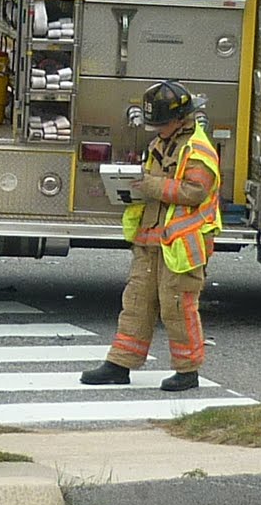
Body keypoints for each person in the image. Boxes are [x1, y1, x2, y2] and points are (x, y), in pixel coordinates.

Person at [81, 80, 221, 393]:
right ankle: (120, 363)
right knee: (136, 303)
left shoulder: (198, 149)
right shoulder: (162, 143)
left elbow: (195, 191)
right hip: (152, 240)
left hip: (181, 246)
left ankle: (188, 371)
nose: (156, 129)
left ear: (180, 119)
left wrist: (150, 185)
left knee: (177, 308)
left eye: (161, 123)